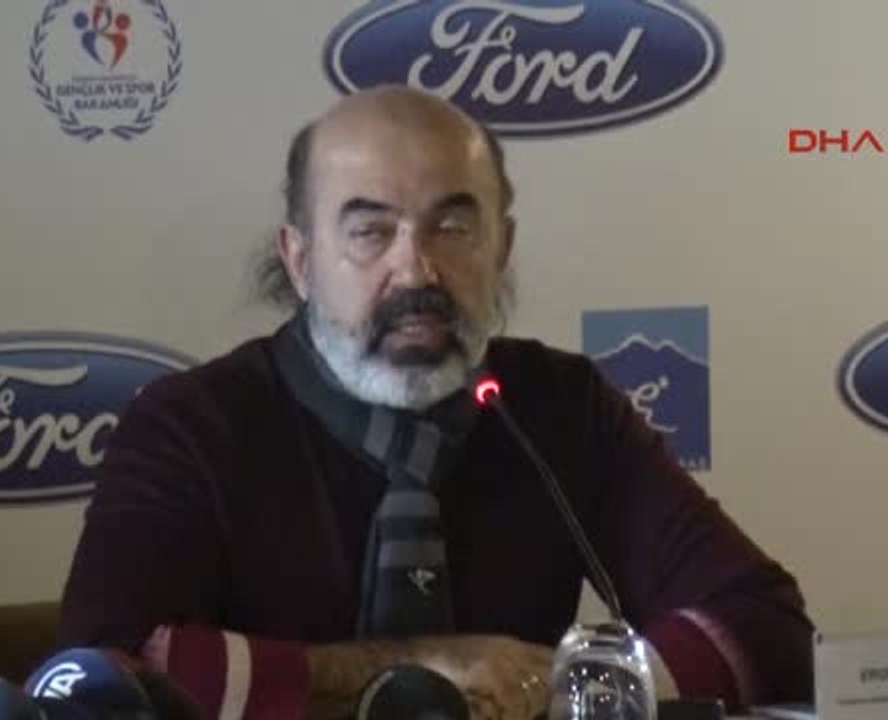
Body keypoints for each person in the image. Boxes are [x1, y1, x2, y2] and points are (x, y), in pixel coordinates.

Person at [58, 85, 815, 718]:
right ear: (300, 260)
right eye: (369, 231)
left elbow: (766, 628)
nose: (416, 269)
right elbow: (102, 677)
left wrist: (569, 683)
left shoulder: (561, 407)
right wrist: (432, 670)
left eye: (452, 227)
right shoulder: (191, 424)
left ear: (502, 249)